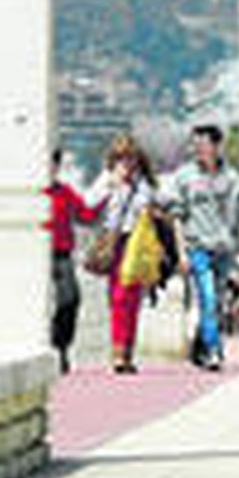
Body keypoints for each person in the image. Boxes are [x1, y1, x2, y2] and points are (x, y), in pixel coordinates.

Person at [166, 124, 239, 371]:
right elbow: (177, 217)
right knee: (208, 298)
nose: (198, 149)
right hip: (197, 247)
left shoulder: (233, 179)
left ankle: (200, 347)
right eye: (195, 144)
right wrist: (181, 252)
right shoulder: (184, 177)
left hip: (224, 249)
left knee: (218, 303)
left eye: (203, 144)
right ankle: (214, 351)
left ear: (216, 146)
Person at [85, 135, 163, 374]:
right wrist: (112, 184)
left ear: (138, 159)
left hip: (137, 244)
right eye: (121, 158)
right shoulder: (107, 179)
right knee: (118, 297)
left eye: (130, 158)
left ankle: (127, 351)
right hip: (113, 242)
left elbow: (158, 207)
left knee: (131, 298)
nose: (126, 163)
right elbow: (88, 204)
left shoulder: (144, 185)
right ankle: (119, 353)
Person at [44, 147, 96, 374]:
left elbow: (86, 215)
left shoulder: (64, 192)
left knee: (70, 299)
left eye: (53, 164)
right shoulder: (31, 195)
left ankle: (60, 345)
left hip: (61, 255)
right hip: (34, 256)